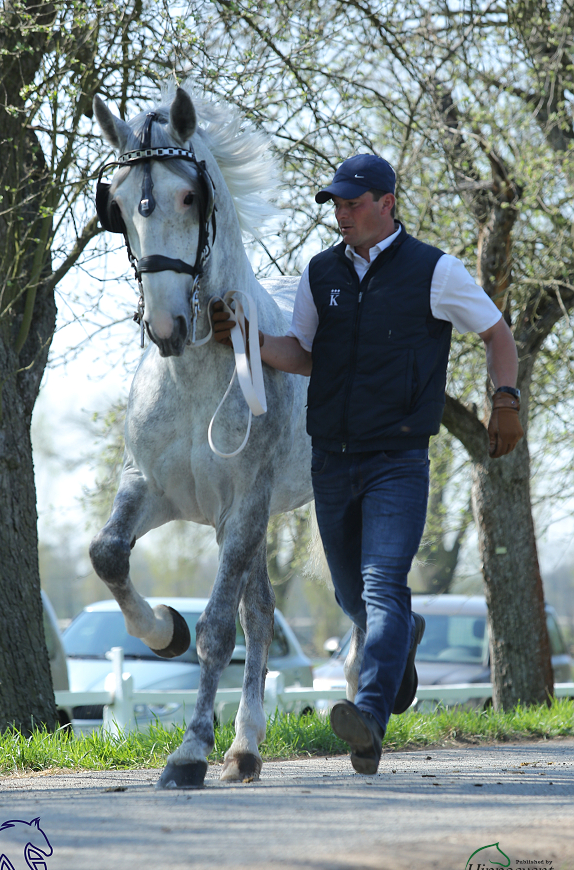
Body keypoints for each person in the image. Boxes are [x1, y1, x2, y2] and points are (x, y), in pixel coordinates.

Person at [212, 153, 523, 775]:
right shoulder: (320, 270)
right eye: (336, 204)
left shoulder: (435, 271)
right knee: (358, 602)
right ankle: (402, 637)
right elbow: (301, 353)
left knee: (383, 589)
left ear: (387, 202)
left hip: (397, 461)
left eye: (354, 203)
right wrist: (241, 337)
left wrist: (505, 399)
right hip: (332, 459)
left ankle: (369, 718)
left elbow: (497, 333)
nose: (342, 213)